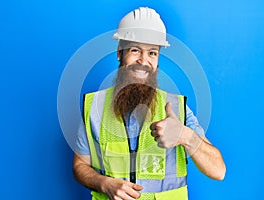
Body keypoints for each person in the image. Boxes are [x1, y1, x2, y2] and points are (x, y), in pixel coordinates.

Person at [73, 7, 226, 200]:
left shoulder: (177, 108)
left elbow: (218, 171)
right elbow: (80, 165)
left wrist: (185, 136)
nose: (143, 61)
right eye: (135, 50)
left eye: (152, 53)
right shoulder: (94, 106)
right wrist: (104, 183)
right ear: (120, 52)